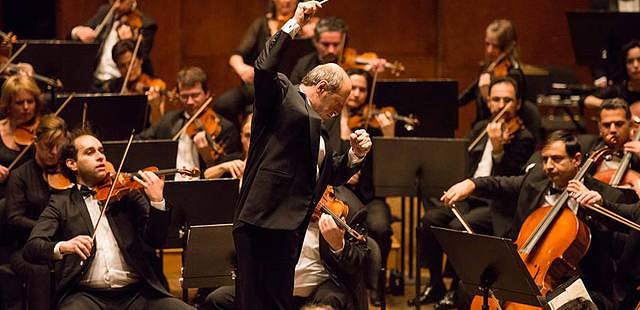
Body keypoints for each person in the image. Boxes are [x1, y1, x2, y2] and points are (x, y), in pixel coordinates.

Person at [233, 1, 372, 308]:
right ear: (321, 87)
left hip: (290, 228)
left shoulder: (320, 127)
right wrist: (294, 23)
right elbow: (263, 67)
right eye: (337, 104)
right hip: (262, 222)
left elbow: (326, 174)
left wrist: (354, 155)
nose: (337, 113)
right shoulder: (282, 94)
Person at [441, 131, 628, 309]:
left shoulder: (604, 195)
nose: (548, 166)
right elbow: (500, 184)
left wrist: (593, 210)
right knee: (466, 291)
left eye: (556, 159)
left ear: (576, 159)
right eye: (545, 159)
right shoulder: (536, 178)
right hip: (528, 266)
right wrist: (471, 183)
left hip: (579, 280)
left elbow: (615, 246)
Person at [22, 130, 193, 310]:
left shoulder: (128, 195)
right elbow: (32, 247)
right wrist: (64, 246)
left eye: (101, 151)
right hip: (86, 296)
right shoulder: (61, 202)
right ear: (72, 164)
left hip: (138, 295)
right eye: (90, 152)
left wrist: (157, 202)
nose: (100, 157)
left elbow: (156, 240)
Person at [412, 77, 535, 307]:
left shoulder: (524, 138)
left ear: (517, 104)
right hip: (469, 196)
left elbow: (507, 183)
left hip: (495, 205)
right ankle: (435, 284)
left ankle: (456, 289)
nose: (500, 105)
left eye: (507, 100)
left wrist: (498, 151)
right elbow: (464, 163)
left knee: (457, 228)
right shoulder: (480, 128)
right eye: (496, 99)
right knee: (430, 220)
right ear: (488, 103)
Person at [205, 187, 369, 310]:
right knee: (217, 300)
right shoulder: (275, 196)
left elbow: (360, 262)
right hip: (274, 286)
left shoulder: (348, 207)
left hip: (319, 289)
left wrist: (338, 245)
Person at [323, 68, 394, 305]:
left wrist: (388, 136)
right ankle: (349, 281)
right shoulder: (329, 119)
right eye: (353, 89)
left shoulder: (374, 124)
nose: (357, 95)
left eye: (363, 90)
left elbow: (390, 171)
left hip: (369, 196)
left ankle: (376, 286)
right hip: (336, 193)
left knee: (380, 227)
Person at [212, 0, 316, 125]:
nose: (286, 1)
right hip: (262, 83)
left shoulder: (310, 27)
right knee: (223, 105)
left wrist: (311, 36)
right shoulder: (262, 24)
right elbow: (236, 56)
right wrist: (242, 68)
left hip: (291, 87)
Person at [3, 115, 68, 310]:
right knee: (40, 271)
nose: (54, 152)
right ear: (35, 142)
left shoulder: (69, 172)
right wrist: (47, 228)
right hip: (24, 248)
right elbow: (14, 218)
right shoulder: (20, 176)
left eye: (59, 145)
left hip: (64, 244)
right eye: (48, 146)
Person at [137, 66, 241, 179]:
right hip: (170, 187)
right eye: (184, 96)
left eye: (195, 95)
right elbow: (141, 142)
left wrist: (208, 157)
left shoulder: (225, 128)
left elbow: (228, 173)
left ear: (207, 93)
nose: (190, 102)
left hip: (204, 189)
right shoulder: (169, 121)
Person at [71, 0, 157, 89]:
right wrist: (76, 31)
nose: (116, 4)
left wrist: (129, 40)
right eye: (113, 1)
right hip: (95, 81)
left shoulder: (146, 24)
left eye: (122, 1)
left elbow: (142, 57)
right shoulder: (105, 12)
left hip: (120, 84)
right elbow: (84, 34)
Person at [105, 39, 170, 125]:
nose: (128, 69)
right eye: (122, 66)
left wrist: (155, 106)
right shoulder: (113, 87)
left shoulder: (156, 85)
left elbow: (158, 126)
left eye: (132, 63)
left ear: (141, 60)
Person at [0, 75, 42, 198]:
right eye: (19, 103)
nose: (26, 107)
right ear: (7, 105)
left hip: (33, 196)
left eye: (30, 101)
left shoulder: (41, 130)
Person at [204, 113, 252, 179]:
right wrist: (222, 168)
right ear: (241, 137)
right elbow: (204, 175)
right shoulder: (233, 159)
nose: (251, 141)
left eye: (256, 136)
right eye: (247, 136)